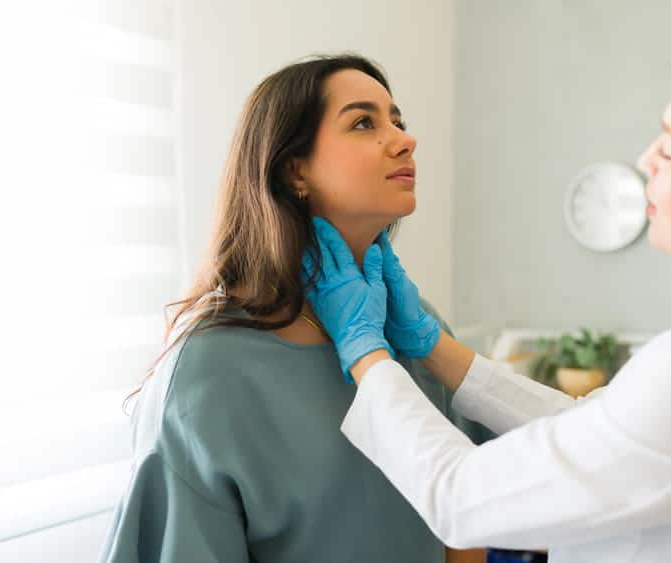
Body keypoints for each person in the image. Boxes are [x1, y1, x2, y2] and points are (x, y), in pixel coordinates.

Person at [303, 19, 671, 563]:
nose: (646, 160)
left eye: (670, 147)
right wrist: (432, 346)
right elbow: (603, 435)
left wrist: (366, 353)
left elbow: (461, 497)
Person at [99, 54, 490, 563]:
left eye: (398, 120)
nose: (403, 139)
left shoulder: (418, 330)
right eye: (364, 122)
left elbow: (466, 512)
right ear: (293, 169)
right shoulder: (208, 370)